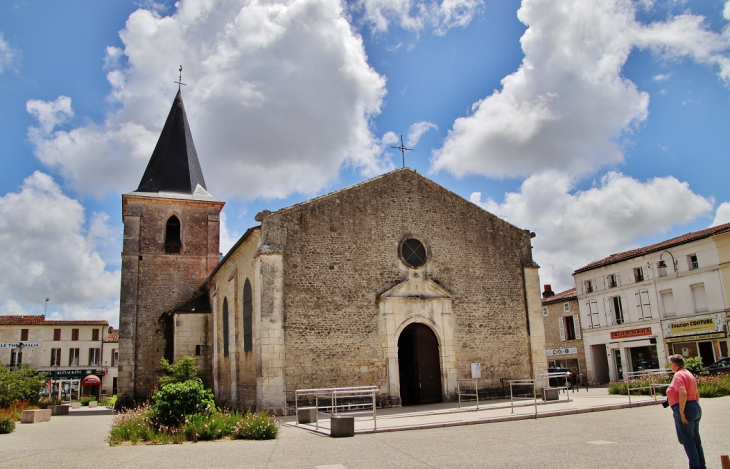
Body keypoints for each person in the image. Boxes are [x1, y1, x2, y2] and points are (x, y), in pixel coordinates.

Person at [666, 354, 706, 469]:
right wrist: (695, 406)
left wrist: (681, 411)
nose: (670, 366)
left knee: (687, 440)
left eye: (670, 364)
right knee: (695, 439)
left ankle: (695, 466)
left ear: (674, 364)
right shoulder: (688, 374)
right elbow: (697, 392)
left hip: (685, 407)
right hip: (694, 406)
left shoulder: (678, 375)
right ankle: (701, 465)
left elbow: (682, 393)